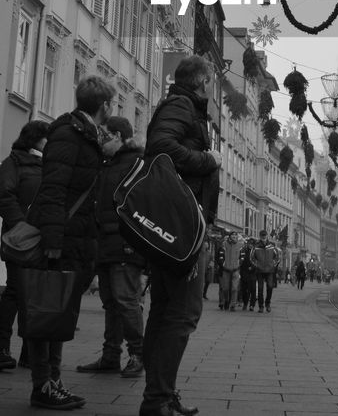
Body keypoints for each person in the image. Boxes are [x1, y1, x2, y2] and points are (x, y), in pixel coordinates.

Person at [20, 74, 113, 410]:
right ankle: (43, 385)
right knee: (48, 311)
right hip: (62, 238)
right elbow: (54, 189)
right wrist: (53, 239)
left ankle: (53, 382)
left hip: (77, 237)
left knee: (59, 312)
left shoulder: (86, 135)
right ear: (104, 105)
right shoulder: (69, 134)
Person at [140, 55, 222, 416]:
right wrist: (209, 161)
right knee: (184, 312)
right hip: (181, 226)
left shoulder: (184, 106)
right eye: (212, 83)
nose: (214, 90)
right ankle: (158, 398)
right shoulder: (181, 105)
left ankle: (159, 395)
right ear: (202, 82)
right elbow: (160, 147)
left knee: (165, 309)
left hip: (179, 224)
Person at [76, 115, 146, 380]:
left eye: (104, 135)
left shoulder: (137, 164)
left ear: (117, 136)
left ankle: (138, 354)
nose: (100, 140)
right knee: (111, 302)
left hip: (126, 242)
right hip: (105, 241)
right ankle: (110, 356)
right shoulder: (110, 163)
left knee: (126, 300)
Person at [0, 120, 49, 372]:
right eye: (47, 138)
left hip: (43, 240)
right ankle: (0, 351)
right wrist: (22, 227)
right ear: (35, 139)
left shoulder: (48, 165)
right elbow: (5, 197)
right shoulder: (13, 162)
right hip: (19, 240)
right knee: (14, 292)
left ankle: (29, 353)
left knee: (35, 296)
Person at [216, 231, 242, 309]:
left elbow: (242, 257)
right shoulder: (224, 244)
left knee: (234, 288)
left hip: (235, 269)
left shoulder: (240, 245)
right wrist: (223, 264)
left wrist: (238, 264)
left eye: (235, 235)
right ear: (230, 236)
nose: (234, 236)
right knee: (225, 288)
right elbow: (220, 256)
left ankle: (233, 304)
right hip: (226, 269)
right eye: (233, 235)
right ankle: (226, 300)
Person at [252, 230, 276, 311]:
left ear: (267, 235)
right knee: (260, 289)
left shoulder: (272, 245)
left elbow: (277, 257)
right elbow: (252, 257)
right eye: (262, 235)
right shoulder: (256, 246)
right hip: (259, 270)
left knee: (270, 287)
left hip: (270, 270)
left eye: (265, 235)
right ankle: (261, 306)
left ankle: (268, 303)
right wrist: (257, 265)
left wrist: (273, 264)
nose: (263, 236)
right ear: (260, 236)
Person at [238, 236, 256, 310]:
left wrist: (252, 267)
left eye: (252, 244)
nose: (250, 245)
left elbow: (257, 261)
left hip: (253, 272)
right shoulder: (243, 250)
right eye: (249, 243)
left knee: (253, 289)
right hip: (244, 272)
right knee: (244, 289)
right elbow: (239, 259)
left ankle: (252, 305)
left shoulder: (255, 252)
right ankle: (245, 303)